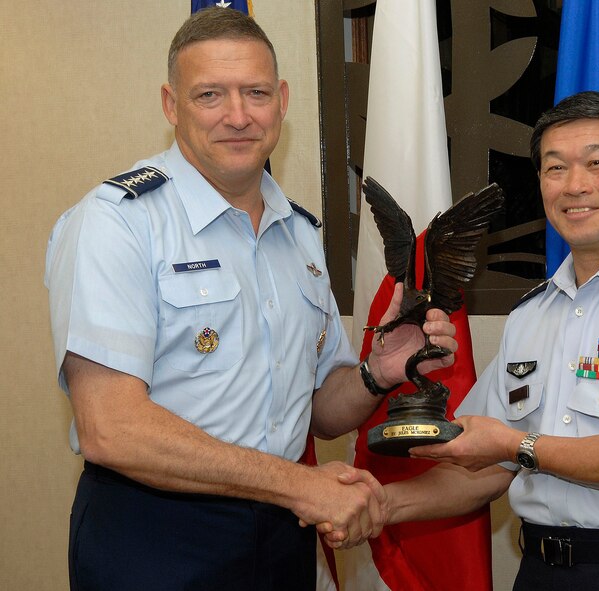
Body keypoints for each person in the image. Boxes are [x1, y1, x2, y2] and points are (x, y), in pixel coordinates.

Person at [44, 7, 456, 591]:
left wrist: (377, 373)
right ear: (171, 105)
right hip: (156, 538)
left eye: (256, 92)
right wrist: (297, 486)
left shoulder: (300, 234)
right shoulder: (118, 224)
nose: (237, 116)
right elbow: (111, 428)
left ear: (282, 100)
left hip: (282, 534)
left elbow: (313, 410)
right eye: (210, 95)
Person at [332, 91, 599, 590]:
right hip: (543, 574)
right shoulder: (533, 314)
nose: (575, 186)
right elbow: (486, 465)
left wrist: (516, 443)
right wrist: (382, 504)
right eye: (555, 169)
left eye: (596, 163)